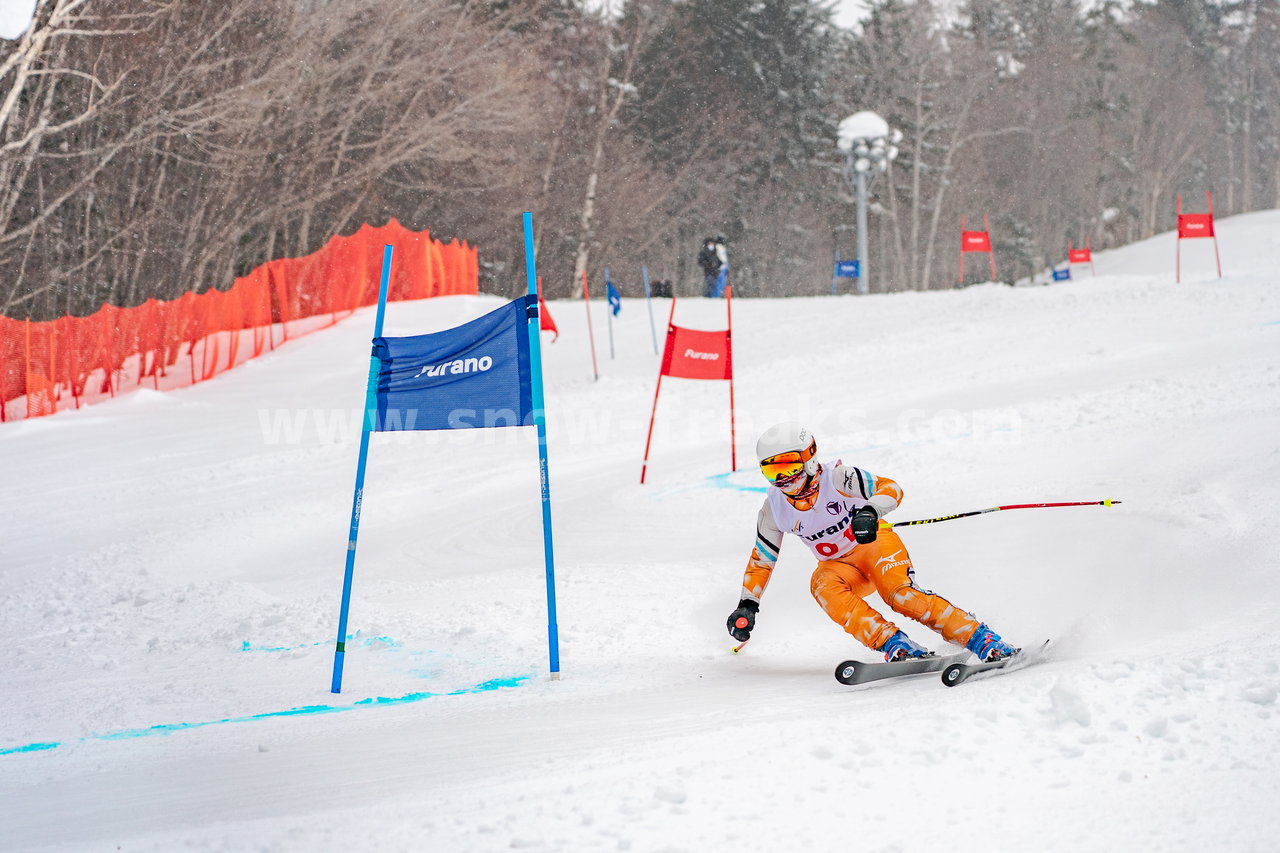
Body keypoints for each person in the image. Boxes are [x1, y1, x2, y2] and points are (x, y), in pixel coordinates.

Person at [727, 422, 1019, 662]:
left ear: (809, 458)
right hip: (839, 566)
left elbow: (890, 488)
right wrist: (747, 604)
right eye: (771, 470)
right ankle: (895, 644)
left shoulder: (838, 478)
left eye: (788, 466)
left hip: (876, 546)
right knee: (821, 586)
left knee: (900, 596)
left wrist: (870, 510)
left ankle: (982, 638)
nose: (782, 478)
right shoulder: (773, 508)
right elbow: (762, 559)